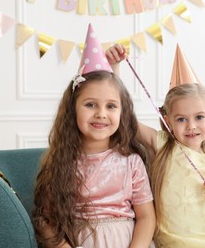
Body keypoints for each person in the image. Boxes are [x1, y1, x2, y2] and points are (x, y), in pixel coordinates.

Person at [106, 44, 205, 247]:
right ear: (168, 120)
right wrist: (115, 68)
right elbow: (124, 117)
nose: (191, 126)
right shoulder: (162, 145)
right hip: (172, 242)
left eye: (199, 117)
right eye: (181, 119)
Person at [33, 24, 156, 248]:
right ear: (73, 109)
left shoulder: (132, 162)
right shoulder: (60, 163)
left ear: (122, 113)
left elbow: (146, 217)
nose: (101, 114)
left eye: (111, 106)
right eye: (90, 104)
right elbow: (46, 220)